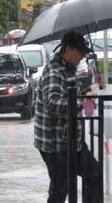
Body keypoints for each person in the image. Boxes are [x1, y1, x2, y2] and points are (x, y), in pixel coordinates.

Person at [34, 31, 103, 202]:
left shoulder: (68, 69)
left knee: (94, 174)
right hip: (55, 144)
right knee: (60, 189)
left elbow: (71, 92)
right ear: (69, 49)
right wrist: (80, 103)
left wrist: (91, 90)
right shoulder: (54, 72)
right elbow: (52, 103)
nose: (82, 56)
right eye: (80, 52)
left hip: (72, 141)